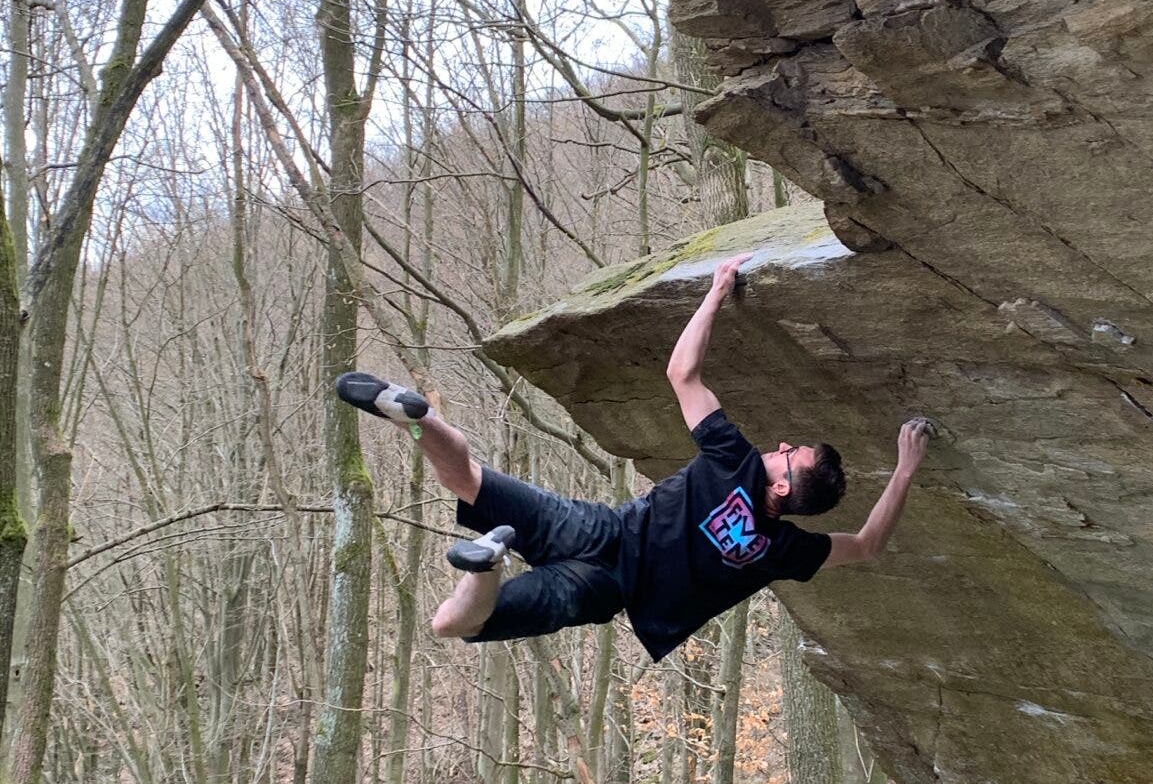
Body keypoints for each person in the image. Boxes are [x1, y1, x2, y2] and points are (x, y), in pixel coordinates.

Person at [336, 256, 932, 662]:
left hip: (598, 528)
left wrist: (715, 293)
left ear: (780, 487)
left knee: (467, 478)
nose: (778, 447)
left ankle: (418, 420)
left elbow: (682, 372)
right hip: (602, 587)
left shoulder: (735, 460)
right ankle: (487, 564)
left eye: (789, 455)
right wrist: (905, 470)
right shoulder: (784, 550)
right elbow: (867, 545)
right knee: (453, 623)